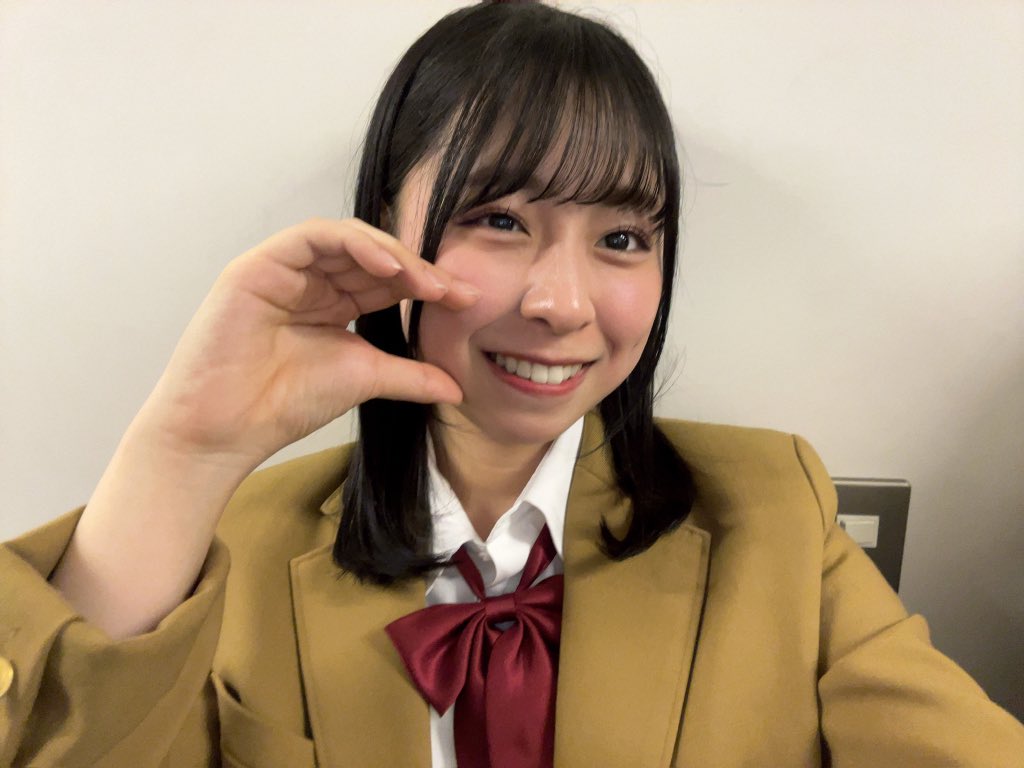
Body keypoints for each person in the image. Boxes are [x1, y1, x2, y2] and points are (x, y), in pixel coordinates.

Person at [1, 2, 1022, 766]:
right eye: (499, 220)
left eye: (622, 238)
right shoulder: (236, 544)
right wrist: (185, 453)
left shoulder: (774, 513)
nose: (562, 304)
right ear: (383, 229)